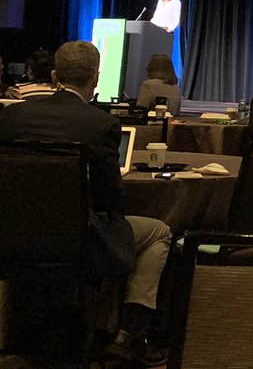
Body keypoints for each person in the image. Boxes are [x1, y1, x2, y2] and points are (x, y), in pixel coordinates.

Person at [0, 41, 173, 367]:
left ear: (54, 76)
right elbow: (113, 202)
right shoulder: (100, 125)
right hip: (80, 244)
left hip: (13, 239)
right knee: (159, 232)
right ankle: (129, 334)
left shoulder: (11, 118)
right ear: (96, 78)